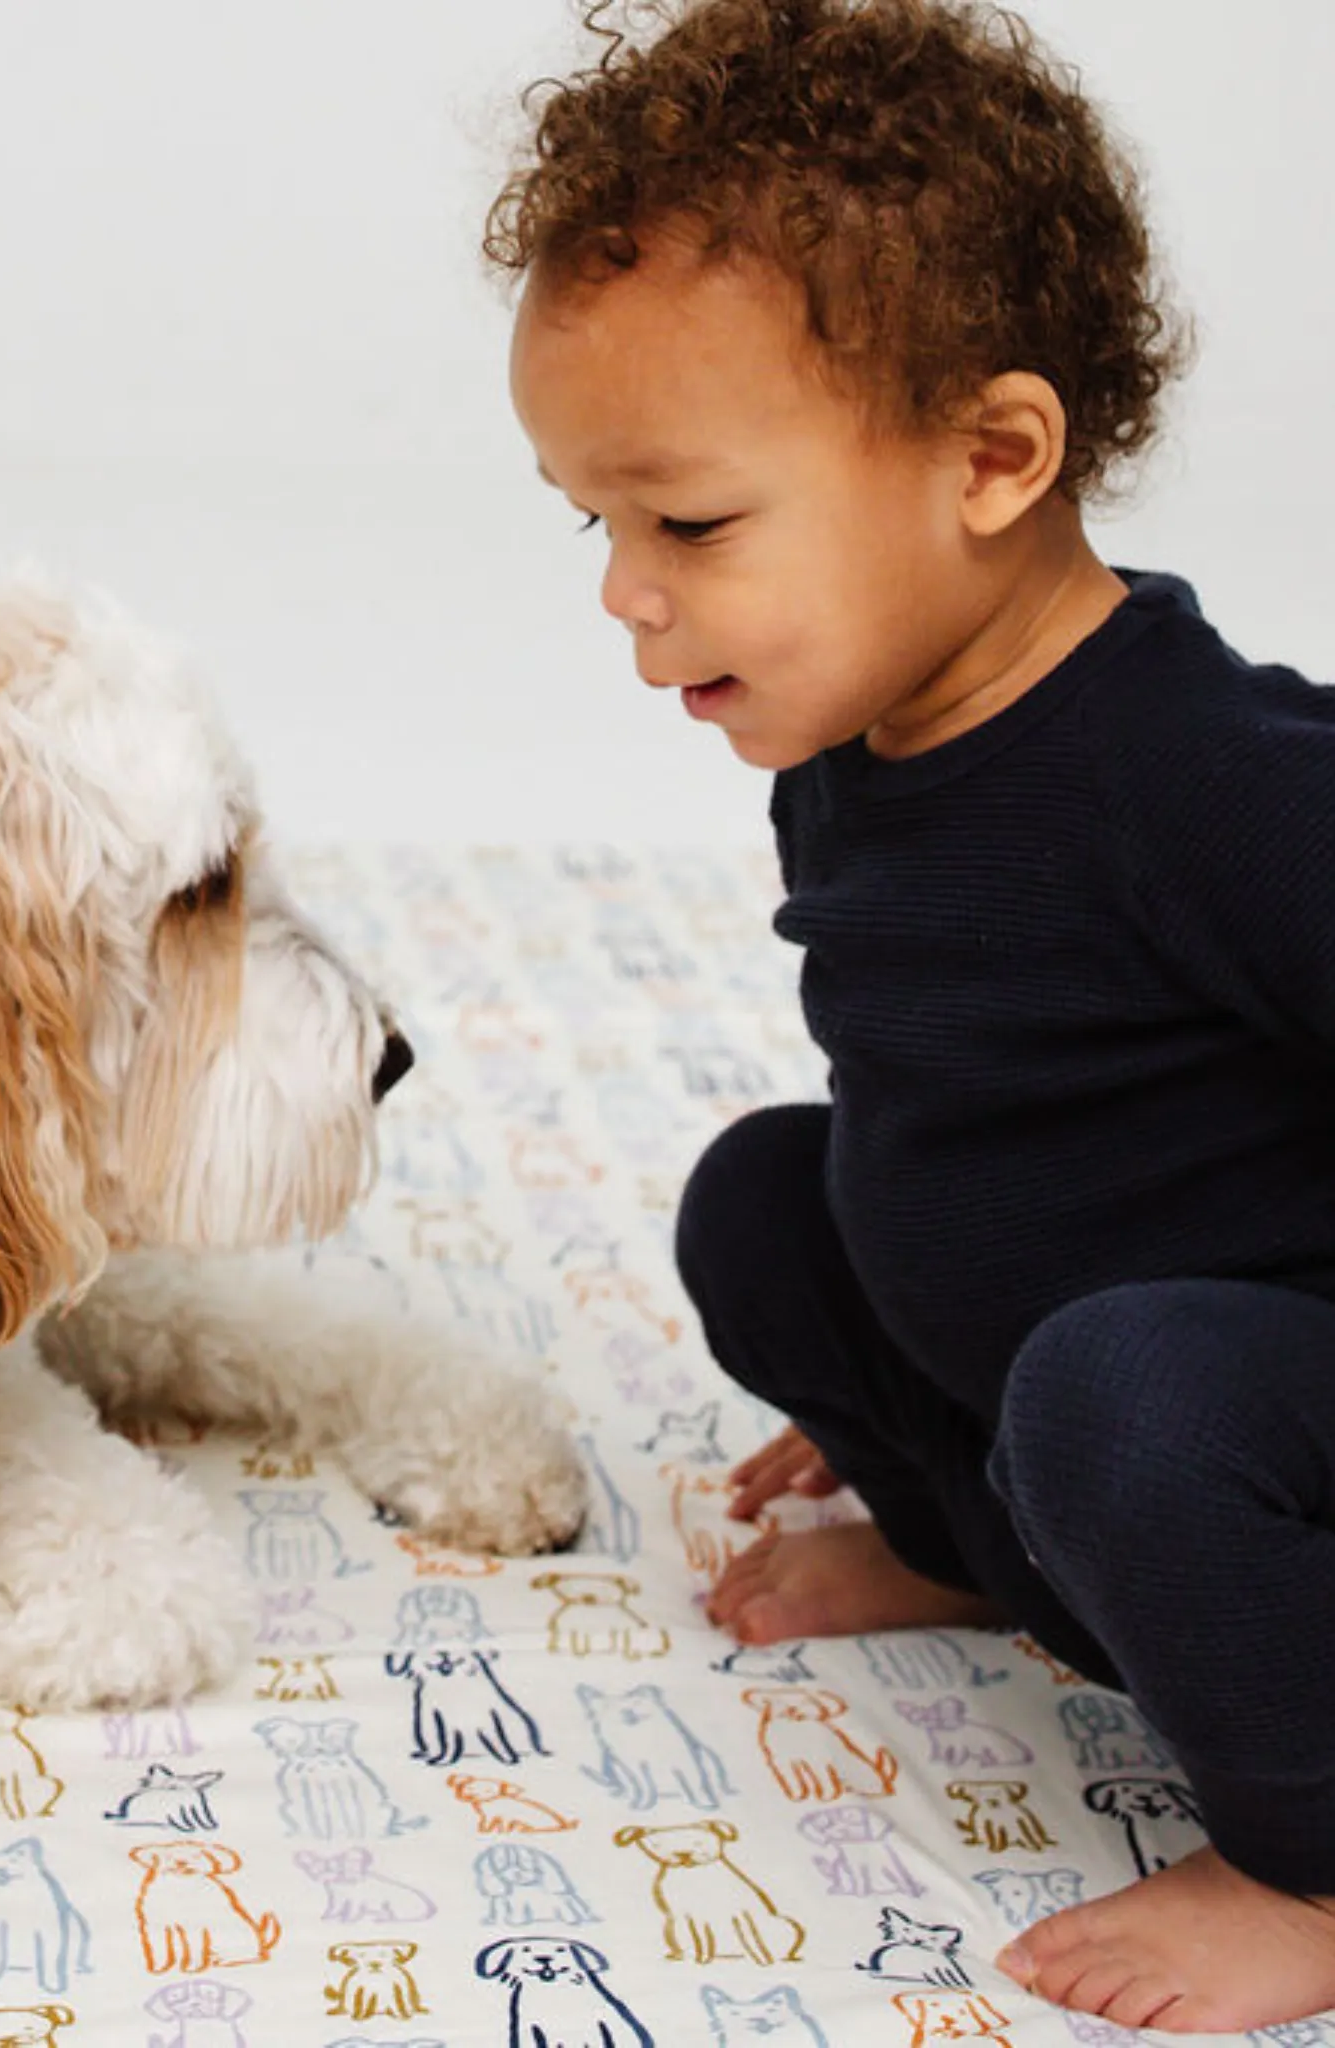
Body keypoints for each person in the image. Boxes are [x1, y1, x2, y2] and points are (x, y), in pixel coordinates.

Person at [494, 0, 1335, 2032]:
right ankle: (974, 1544)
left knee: (1116, 1394)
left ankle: (1316, 1854)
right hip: (1054, 1404)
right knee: (767, 1201)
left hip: (1240, 1429)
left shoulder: (1200, 775)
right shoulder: (858, 738)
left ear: (990, 456)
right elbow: (961, 1100)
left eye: (686, 522)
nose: (624, 588)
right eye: (589, 521)